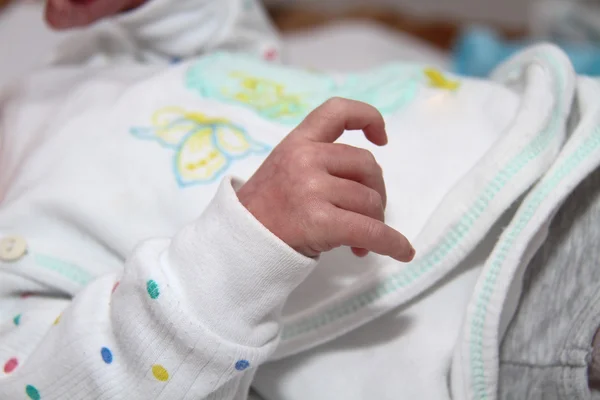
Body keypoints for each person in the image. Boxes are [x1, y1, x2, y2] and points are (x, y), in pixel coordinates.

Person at [1, 0, 599, 399]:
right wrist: (249, 244)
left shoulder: (63, 73)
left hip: (547, 130)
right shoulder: (16, 256)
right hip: (488, 301)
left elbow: (237, 58)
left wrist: (154, 7)